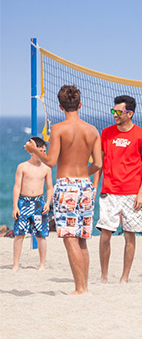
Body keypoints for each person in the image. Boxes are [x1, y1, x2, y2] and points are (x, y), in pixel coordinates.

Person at [24, 85, 101, 294]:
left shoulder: (58, 129)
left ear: (60, 106)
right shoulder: (93, 130)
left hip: (67, 185)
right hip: (85, 185)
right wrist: (83, 172)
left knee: (69, 238)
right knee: (82, 238)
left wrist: (33, 150)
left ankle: (80, 288)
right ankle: (84, 285)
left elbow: (50, 161)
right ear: (80, 104)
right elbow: (99, 164)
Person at [93, 95, 142, 283]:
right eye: (114, 111)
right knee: (105, 234)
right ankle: (103, 276)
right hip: (109, 190)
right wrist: (95, 186)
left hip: (132, 192)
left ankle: (124, 277)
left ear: (130, 113)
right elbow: (99, 163)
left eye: (119, 112)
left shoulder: (141, 135)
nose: (115, 114)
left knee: (130, 234)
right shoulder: (106, 133)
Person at [12, 137, 53, 271]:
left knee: (41, 235)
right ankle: (16, 264)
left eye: (44, 151)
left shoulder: (46, 168)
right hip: (24, 202)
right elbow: (17, 187)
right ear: (31, 152)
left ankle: (42, 264)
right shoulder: (22, 166)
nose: (42, 154)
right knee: (19, 234)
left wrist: (47, 202)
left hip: (38, 203)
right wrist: (15, 206)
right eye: (39, 151)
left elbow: (49, 187)